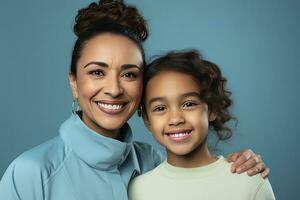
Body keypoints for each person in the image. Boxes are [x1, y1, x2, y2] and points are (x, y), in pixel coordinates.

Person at [0, 1, 269, 200]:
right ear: (73, 81)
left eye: (129, 74)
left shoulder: (151, 160)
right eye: (97, 72)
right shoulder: (31, 173)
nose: (114, 89)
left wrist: (238, 165)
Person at [128, 50, 275, 200]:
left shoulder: (249, 181)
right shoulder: (137, 190)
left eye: (188, 104)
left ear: (212, 109)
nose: (176, 119)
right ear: (147, 120)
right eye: (160, 108)